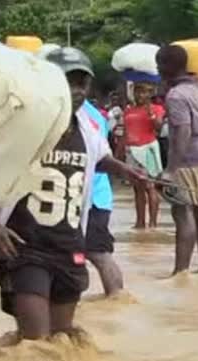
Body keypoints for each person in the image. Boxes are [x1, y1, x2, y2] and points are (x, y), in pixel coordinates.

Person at [0, 47, 146, 340]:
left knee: (61, 342)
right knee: (36, 345)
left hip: (68, 245)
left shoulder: (87, 126)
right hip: (24, 245)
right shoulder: (19, 123)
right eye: (66, 81)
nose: (75, 90)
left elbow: (99, 157)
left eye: (82, 82)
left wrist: (126, 170)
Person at [157, 45, 198, 275]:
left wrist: (171, 169)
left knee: (182, 213)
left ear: (168, 67)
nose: (158, 70)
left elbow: (183, 131)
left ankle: (180, 273)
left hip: (187, 161)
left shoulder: (176, 95)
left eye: (159, 65)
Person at [83, 99, 124, 296]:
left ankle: (116, 296)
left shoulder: (85, 114)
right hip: (89, 195)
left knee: (97, 253)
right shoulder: (93, 112)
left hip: (92, 198)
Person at [124, 82, 165, 229]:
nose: (140, 95)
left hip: (148, 150)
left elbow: (158, 128)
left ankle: (153, 223)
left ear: (150, 94)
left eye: (143, 92)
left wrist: (151, 114)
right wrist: (118, 154)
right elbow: (125, 133)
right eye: (137, 92)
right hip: (131, 151)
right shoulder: (128, 110)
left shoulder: (157, 109)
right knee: (137, 188)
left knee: (150, 186)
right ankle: (140, 222)